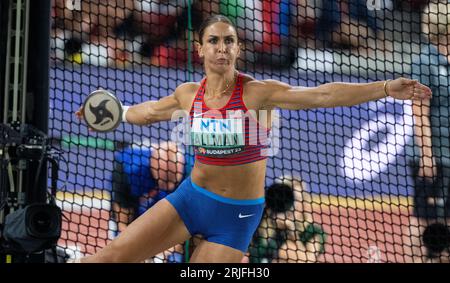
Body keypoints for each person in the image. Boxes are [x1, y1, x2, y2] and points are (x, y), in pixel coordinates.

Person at [74, 14, 431, 263]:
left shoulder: (257, 93)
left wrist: (384, 87)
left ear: (238, 48)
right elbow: (147, 112)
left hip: (237, 217)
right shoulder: (188, 94)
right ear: (200, 49)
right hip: (190, 200)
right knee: (110, 256)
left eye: (229, 41)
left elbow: (323, 95)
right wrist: (114, 112)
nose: (221, 48)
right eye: (213, 41)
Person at [404, 1, 450, 263]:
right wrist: (427, 157)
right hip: (434, 157)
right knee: (424, 220)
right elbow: (419, 114)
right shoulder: (424, 62)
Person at [109, 141, 194, 262]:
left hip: (172, 224)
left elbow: (188, 226)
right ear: (152, 164)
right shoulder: (127, 168)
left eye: (173, 181)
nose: (168, 187)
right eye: (163, 181)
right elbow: (122, 223)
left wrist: (163, 254)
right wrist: (140, 254)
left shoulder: (193, 174)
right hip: (136, 215)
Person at [247, 175, 326, 263]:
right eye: (285, 199)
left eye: (297, 200)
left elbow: (308, 261)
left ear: (304, 202)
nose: (292, 206)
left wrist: (291, 232)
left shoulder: (312, 231)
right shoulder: (258, 226)